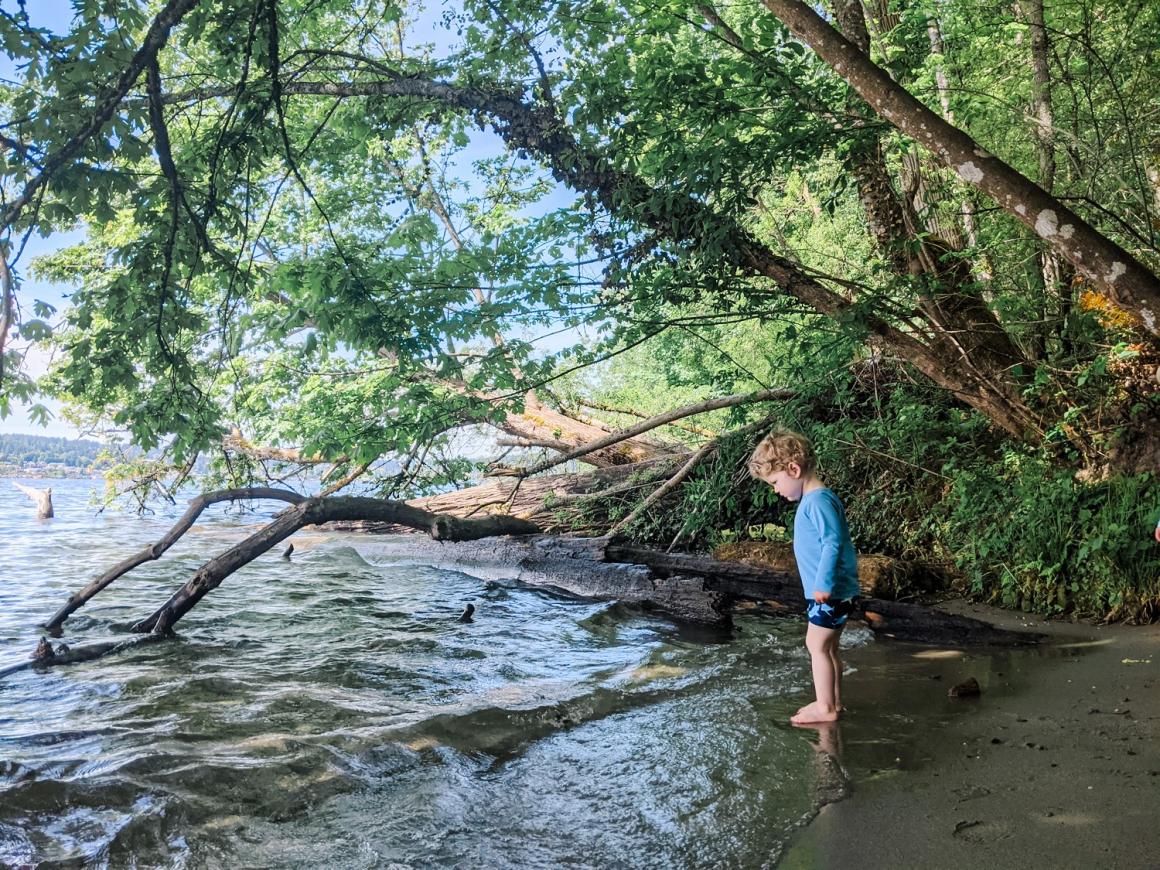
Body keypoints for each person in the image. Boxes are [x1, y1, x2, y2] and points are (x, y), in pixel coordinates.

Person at [748, 430, 861, 725]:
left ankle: (825, 708)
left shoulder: (817, 502)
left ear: (793, 469)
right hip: (835, 592)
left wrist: (823, 583)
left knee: (816, 647)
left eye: (775, 482)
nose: (775, 489)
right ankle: (833, 702)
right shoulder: (819, 499)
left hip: (829, 593)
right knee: (829, 647)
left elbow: (832, 542)